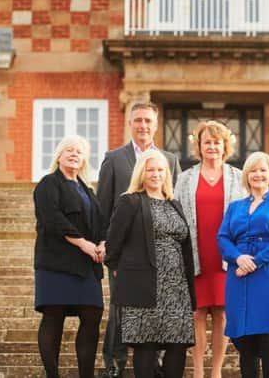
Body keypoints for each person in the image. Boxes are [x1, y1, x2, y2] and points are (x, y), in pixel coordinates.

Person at [98, 101, 182, 378]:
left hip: (161, 254)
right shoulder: (114, 158)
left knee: (157, 309)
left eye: (148, 120)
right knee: (121, 307)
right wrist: (105, 243)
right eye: (138, 120)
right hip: (126, 252)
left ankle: (154, 362)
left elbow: (174, 202)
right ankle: (115, 362)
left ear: (156, 125)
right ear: (130, 123)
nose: (143, 125)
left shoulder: (170, 160)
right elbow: (104, 206)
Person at [104, 149, 195, 378]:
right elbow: (113, 245)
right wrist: (120, 272)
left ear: (167, 173)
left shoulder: (174, 203)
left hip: (176, 287)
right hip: (143, 285)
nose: (156, 174)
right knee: (146, 343)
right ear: (141, 173)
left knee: (178, 343)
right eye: (150, 169)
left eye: (160, 170)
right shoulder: (130, 201)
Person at [174, 121, 245, 378]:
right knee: (197, 312)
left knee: (222, 313)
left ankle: (215, 372)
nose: (212, 147)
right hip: (195, 252)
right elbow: (175, 214)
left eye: (217, 142)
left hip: (226, 255)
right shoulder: (185, 178)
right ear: (199, 146)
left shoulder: (238, 177)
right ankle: (198, 372)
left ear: (225, 145)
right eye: (207, 142)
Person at [217, 152, 269, 378]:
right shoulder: (235, 207)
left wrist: (257, 261)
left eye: (263, 170)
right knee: (246, 340)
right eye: (253, 170)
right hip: (239, 274)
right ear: (246, 175)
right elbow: (223, 237)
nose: (258, 174)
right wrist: (237, 257)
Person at [33, 135, 105, 378]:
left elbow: (101, 222)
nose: (74, 154)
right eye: (69, 150)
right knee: (54, 315)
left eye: (79, 152)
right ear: (59, 156)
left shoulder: (88, 190)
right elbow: (53, 219)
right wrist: (83, 243)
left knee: (92, 314)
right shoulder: (48, 184)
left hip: (86, 266)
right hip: (56, 263)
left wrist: (102, 243)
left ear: (84, 159)